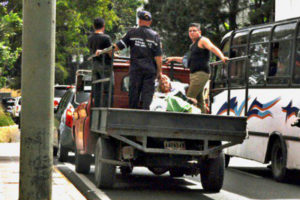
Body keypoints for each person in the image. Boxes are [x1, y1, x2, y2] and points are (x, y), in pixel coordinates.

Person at [97, 10, 163, 110]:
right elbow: (158, 57)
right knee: (147, 94)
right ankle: (146, 114)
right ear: (150, 22)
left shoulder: (132, 33)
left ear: (139, 21)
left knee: (134, 93)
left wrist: (103, 51)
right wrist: (159, 71)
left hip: (136, 69)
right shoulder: (155, 36)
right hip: (150, 69)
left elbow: (117, 46)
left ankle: (133, 113)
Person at [166, 23, 228, 112]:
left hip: (201, 74)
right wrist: (172, 58)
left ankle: (187, 121)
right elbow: (185, 60)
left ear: (199, 32)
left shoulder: (203, 40)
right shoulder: (192, 46)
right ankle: (203, 120)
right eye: (190, 31)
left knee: (189, 98)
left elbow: (212, 47)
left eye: (194, 31)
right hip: (194, 75)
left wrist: (222, 57)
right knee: (200, 101)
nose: (191, 33)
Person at [87, 17, 112, 107]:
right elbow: (110, 53)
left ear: (94, 26)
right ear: (104, 26)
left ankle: (96, 106)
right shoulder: (106, 38)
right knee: (108, 88)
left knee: (97, 88)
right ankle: (106, 107)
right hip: (105, 66)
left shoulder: (90, 38)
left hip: (95, 65)